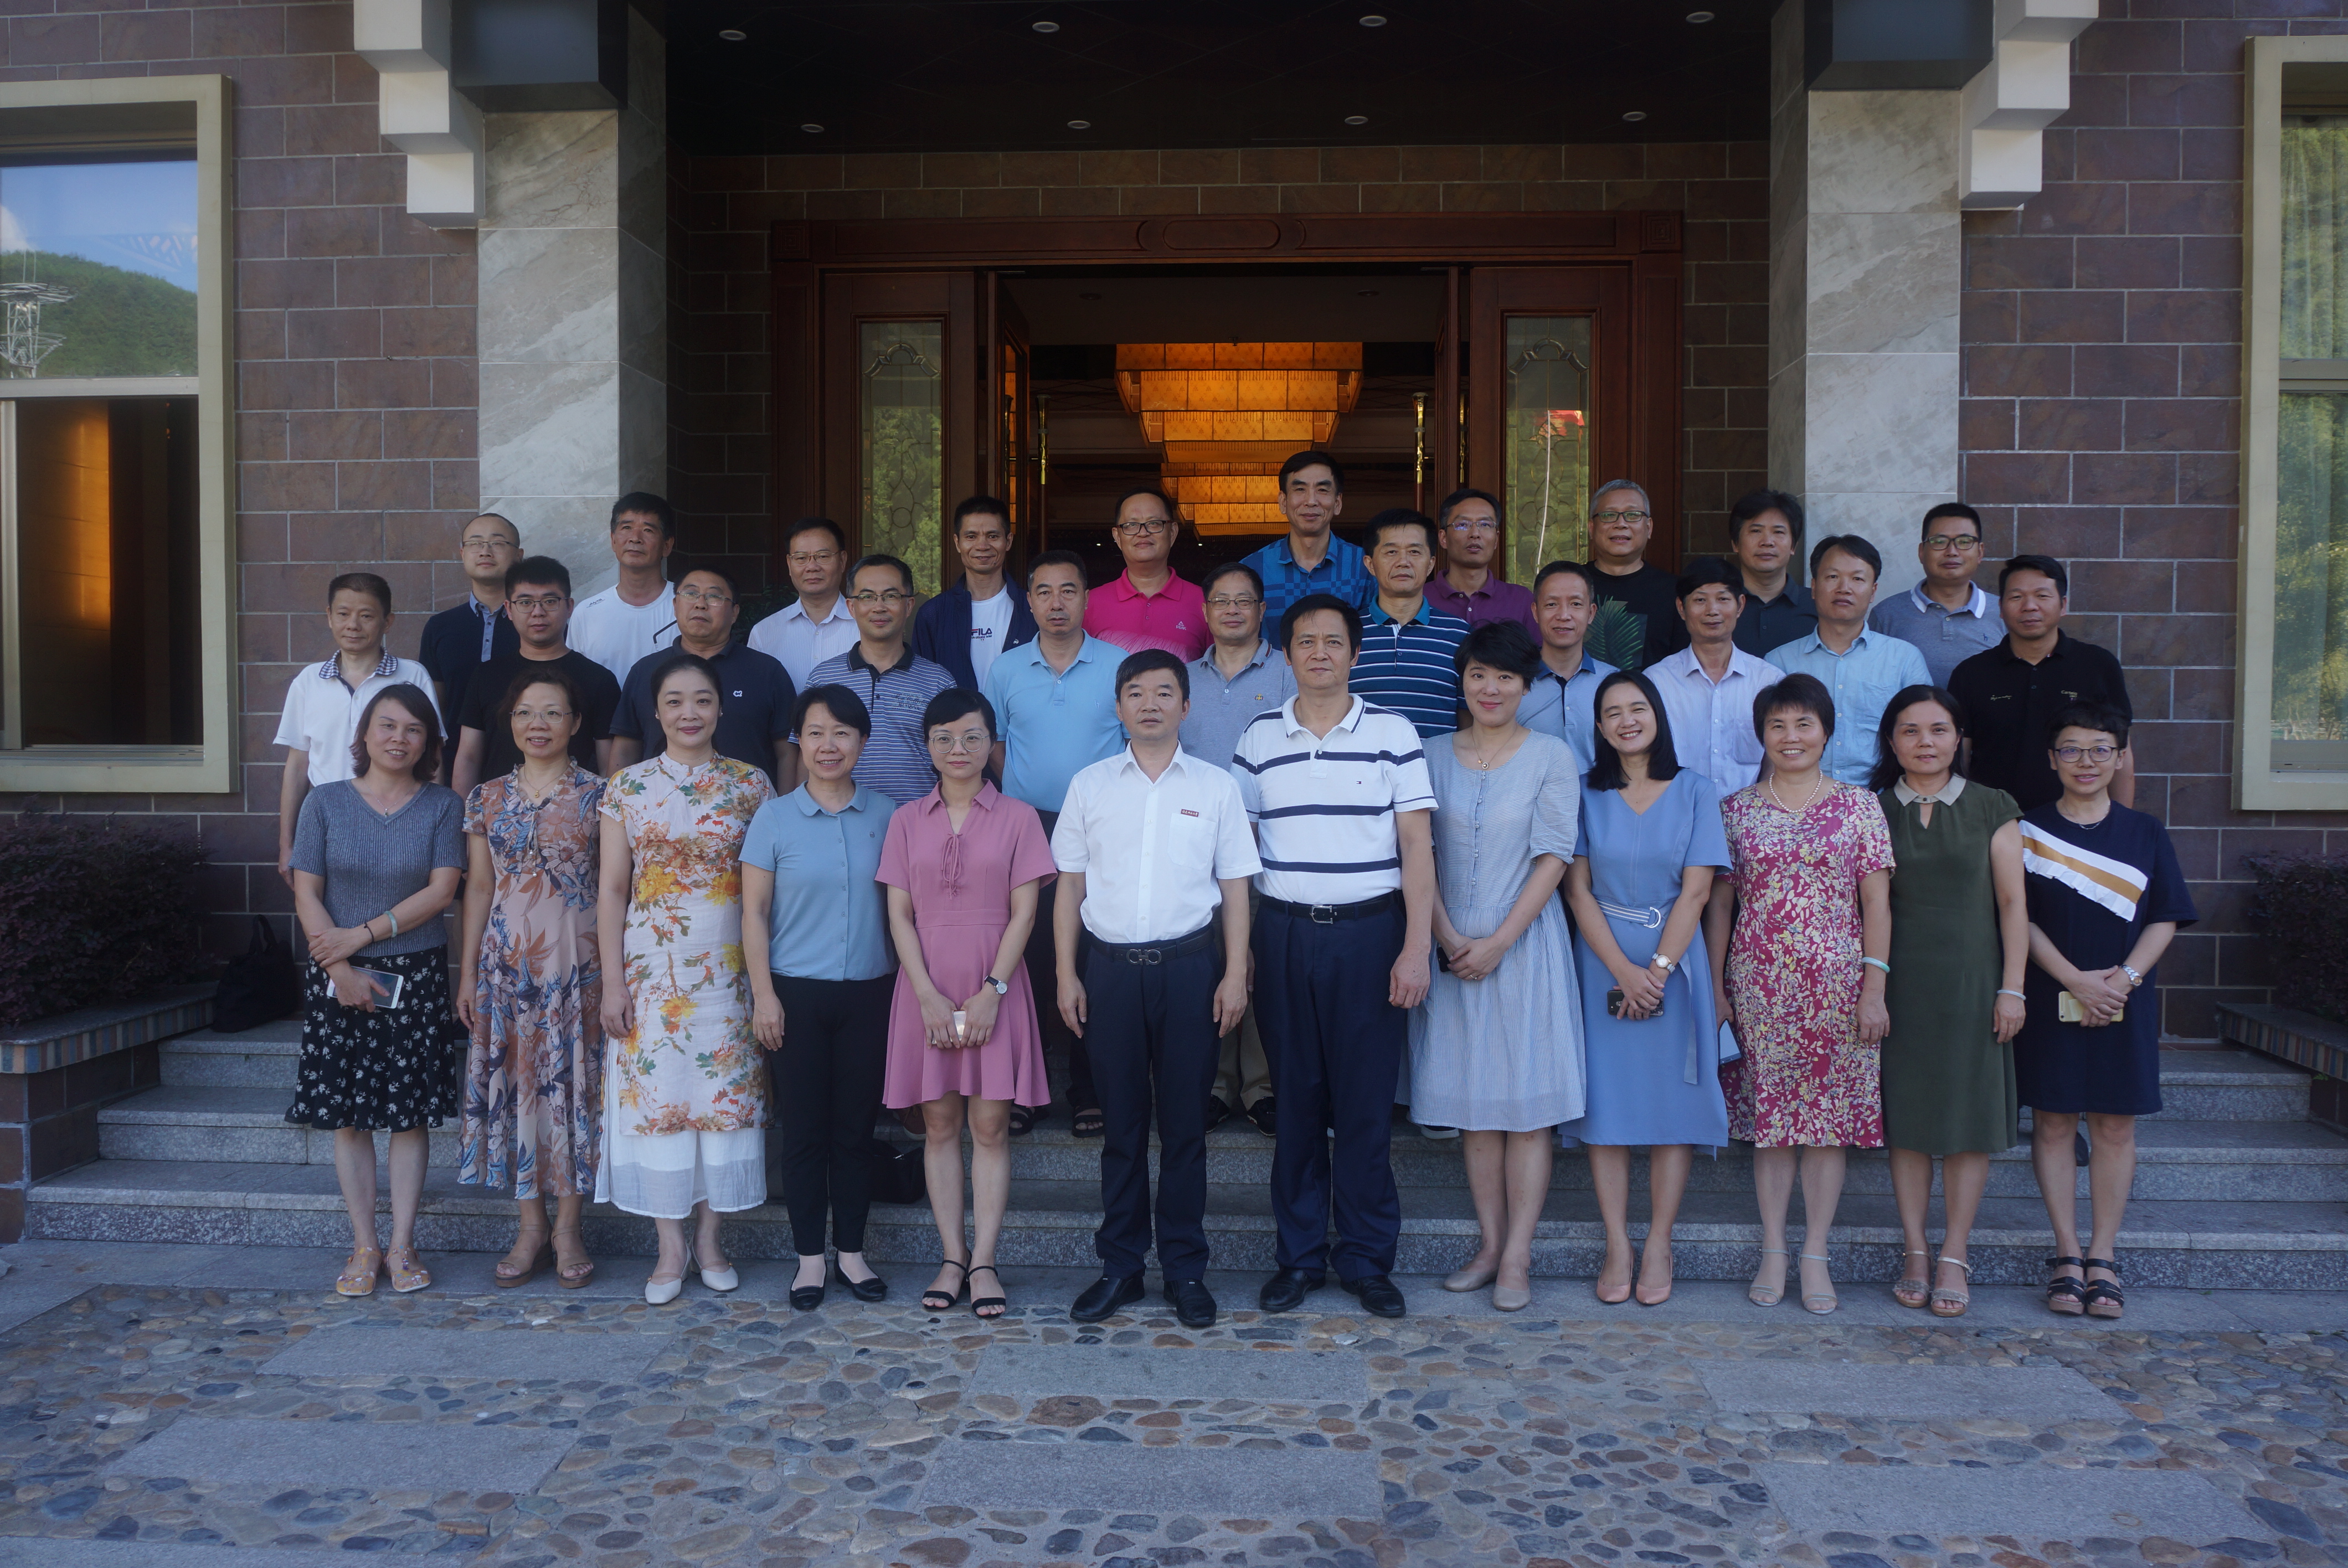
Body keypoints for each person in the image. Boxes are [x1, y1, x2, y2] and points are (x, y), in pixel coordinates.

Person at [1233, 592, 1436, 1321]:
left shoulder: (1392, 731)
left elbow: (1416, 846)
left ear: (1355, 652)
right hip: (1284, 933)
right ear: (1287, 655)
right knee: (1296, 1102)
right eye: (1305, 642)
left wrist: (1416, 948)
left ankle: (1365, 1259)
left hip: (1370, 936)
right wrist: (1240, 950)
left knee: (1364, 1107)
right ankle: (1297, 1258)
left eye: (1333, 641)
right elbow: (1238, 854)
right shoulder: (1259, 736)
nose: (1319, 653)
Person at [1053, 649, 1259, 1329]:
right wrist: (1065, 973)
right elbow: (1069, 887)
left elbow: (1235, 887)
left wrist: (1235, 972)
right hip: (1110, 971)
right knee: (1120, 1128)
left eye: (1164, 692)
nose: (1150, 704)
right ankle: (1120, 1267)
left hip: (1190, 970)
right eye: (1136, 693)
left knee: (1184, 1129)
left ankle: (1184, 1270)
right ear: (1118, 708)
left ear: (1185, 706)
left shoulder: (1216, 787)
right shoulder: (1089, 786)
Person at [1705, 673, 1894, 1316]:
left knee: (1827, 1125)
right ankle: (1772, 1250)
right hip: (1759, 989)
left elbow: (1877, 904)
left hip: (1839, 989)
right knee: (1774, 1123)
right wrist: (1717, 988)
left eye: (1803, 724)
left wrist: (1874, 988)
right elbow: (1719, 908)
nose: (1791, 737)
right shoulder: (1735, 810)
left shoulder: (1859, 807)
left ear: (1826, 731)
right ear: (1761, 734)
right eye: (1777, 725)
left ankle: (1814, 1252)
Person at [1409, 621, 1583, 1313]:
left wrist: (1500, 940)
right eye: (1479, 674)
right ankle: (1488, 1246)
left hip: (1526, 946)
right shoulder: (1428, 755)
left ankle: (1518, 1255)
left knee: (1527, 1111)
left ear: (1525, 686)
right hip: (1450, 947)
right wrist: (1448, 936)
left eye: (1505, 677)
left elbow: (1554, 855)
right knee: (1475, 1109)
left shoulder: (1551, 757)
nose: (1490, 688)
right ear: (1462, 680)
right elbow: (1415, 853)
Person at [594, 652, 776, 1304]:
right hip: (651, 974)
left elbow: (766, 890)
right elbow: (612, 891)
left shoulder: (751, 785)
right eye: (674, 701)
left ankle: (711, 1240)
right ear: (656, 711)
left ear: (720, 707)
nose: (689, 713)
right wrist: (613, 983)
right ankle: (669, 1248)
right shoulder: (627, 787)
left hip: (729, 972)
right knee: (660, 1101)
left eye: (702, 699)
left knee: (723, 1103)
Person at [879, 689, 1057, 1321]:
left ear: (991, 744)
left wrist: (992, 993)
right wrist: (926, 994)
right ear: (928, 745)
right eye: (945, 738)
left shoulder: (1019, 817)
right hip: (923, 987)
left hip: (996, 987)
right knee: (938, 1126)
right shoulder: (905, 820)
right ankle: (951, 1258)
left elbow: (1025, 913)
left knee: (989, 1128)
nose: (959, 749)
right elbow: (899, 915)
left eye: (973, 737)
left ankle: (984, 1261)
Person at [2016, 703, 2194, 1322]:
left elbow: (2166, 915)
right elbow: (2017, 917)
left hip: (2126, 998)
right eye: (2071, 749)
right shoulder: (2025, 830)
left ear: (2120, 758)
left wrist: (2122, 982)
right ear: (2052, 759)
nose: (2085, 761)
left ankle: (2103, 1256)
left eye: (2100, 749)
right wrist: (2073, 980)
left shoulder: (2145, 832)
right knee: (2053, 1123)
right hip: (2050, 993)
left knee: (2116, 1126)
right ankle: (2066, 1254)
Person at [286, 683, 465, 1297]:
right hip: (334, 969)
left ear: (429, 742)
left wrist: (362, 934)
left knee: (407, 1116)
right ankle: (364, 1244)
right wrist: (339, 968)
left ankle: (403, 1244)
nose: (399, 738)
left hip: (413, 973)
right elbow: (307, 890)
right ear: (363, 734)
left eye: (414, 729)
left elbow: (442, 891)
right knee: (349, 1117)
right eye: (387, 725)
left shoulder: (443, 806)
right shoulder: (325, 802)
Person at [1562, 670, 1729, 1308]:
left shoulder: (1696, 790)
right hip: (1601, 961)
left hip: (1675, 967)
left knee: (1669, 1110)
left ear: (1657, 716)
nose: (1626, 720)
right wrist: (1623, 973)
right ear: (1599, 728)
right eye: (1612, 712)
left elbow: (1697, 890)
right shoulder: (1584, 792)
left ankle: (1659, 1241)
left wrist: (1655, 973)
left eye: (1637, 708)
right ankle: (1617, 1243)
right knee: (1606, 1106)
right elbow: (1577, 889)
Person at [1870, 685, 2027, 1319]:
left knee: (1966, 1125)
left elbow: (2012, 904)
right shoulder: (1872, 809)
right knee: (1908, 1125)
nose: (1925, 742)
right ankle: (1914, 1249)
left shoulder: (1992, 806)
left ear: (1958, 738)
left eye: (1938, 730)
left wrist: (2012, 986)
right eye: (1910, 731)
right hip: (1898, 987)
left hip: (1973, 985)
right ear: (1891, 741)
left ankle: (1955, 1253)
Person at [742, 684, 898, 1311]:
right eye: (815, 733)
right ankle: (809, 1258)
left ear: (862, 741)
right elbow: (753, 913)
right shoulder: (774, 817)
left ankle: (852, 1254)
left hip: (870, 994)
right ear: (798, 742)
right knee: (804, 1131)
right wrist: (764, 996)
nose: (828, 745)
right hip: (794, 996)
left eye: (842, 733)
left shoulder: (890, 815)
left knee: (855, 1130)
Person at [453, 666, 605, 1291]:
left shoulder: (604, 795)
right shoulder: (485, 797)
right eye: (524, 713)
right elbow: (479, 887)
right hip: (506, 970)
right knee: (518, 1089)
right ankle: (530, 1227)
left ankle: (569, 1229)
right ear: (509, 723)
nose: (537, 724)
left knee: (572, 1090)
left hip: (578, 967)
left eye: (552, 712)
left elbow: (615, 888)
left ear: (575, 722)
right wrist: (466, 973)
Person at [985, 550, 1126, 1136]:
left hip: (1102, 826)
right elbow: (992, 742)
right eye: (1043, 592)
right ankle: (1029, 1089)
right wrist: (1024, 793)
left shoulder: (1118, 665)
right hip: (1029, 828)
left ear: (1087, 598)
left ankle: (1089, 1089)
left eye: (1068, 590)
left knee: (1094, 954)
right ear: (1030, 601)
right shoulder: (1005, 669)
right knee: (1032, 956)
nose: (1056, 603)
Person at [1179, 560, 1293, 1136]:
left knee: (1258, 967)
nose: (1231, 610)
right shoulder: (1182, 678)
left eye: (1242, 600)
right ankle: (1217, 1085)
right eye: (1220, 601)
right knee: (1211, 966)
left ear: (1261, 610)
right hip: (1195, 845)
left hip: (1267, 843)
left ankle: (1261, 1088)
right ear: (1205, 612)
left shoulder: (1288, 672)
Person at [275, 572, 440, 886]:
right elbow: (297, 766)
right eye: (343, 614)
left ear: (387, 622)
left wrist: (433, 826)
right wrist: (287, 844)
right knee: (321, 907)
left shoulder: (412, 676)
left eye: (366, 616)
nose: (353, 625)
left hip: (399, 817)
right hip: (325, 820)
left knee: (401, 905)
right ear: (329, 617)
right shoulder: (309, 682)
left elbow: (433, 756)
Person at [1948, 555, 2136, 811]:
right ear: (2001, 608)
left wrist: (2122, 822)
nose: (2029, 606)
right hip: (1992, 821)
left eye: (2042, 596)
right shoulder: (1971, 673)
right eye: (2017, 597)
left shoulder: (2098, 666)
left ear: (2063, 605)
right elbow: (1958, 760)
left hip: (2079, 821)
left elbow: (2121, 753)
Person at [610, 565, 799, 788]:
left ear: (735, 612)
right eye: (690, 594)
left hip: (749, 805)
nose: (700, 604)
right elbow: (625, 748)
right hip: (655, 805)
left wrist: (785, 806)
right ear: (675, 605)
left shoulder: (767, 672)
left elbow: (788, 753)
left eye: (714, 596)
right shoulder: (645, 671)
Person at [1765, 535, 1929, 787]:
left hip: (1882, 799)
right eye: (1833, 577)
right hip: (1801, 800)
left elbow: (1923, 735)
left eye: (1858, 579)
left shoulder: (1904, 659)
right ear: (1814, 586)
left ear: (1873, 591)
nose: (1844, 588)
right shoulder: (1779, 662)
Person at [451, 557, 622, 797]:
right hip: (497, 811)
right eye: (525, 602)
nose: (538, 612)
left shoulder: (599, 679)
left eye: (550, 601)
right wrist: (465, 814)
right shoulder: (485, 676)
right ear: (509, 609)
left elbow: (609, 766)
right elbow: (469, 757)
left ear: (570, 607)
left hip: (575, 812)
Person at [804, 554, 957, 805]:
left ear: (909, 605)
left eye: (891, 596)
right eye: (867, 597)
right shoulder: (823, 678)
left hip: (918, 821)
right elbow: (805, 757)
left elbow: (954, 762)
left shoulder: (938, 682)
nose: (879, 607)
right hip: (840, 820)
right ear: (851, 607)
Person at [1649, 557, 1776, 792]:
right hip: (1679, 811)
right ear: (1681, 608)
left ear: (1740, 606)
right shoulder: (1656, 682)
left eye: (1723, 599)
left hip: (1750, 812)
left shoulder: (1769, 680)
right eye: (1700, 600)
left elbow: (1777, 759)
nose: (1712, 611)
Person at [1353, 508, 1471, 740]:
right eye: (1391, 552)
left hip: (1436, 764)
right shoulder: (1344, 634)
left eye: (1415, 552)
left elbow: (1468, 720)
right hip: (1359, 764)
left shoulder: (1460, 635)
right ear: (1370, 564)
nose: (1403, 562)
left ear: (1431, 564)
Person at [1867, 503, 2006, 685]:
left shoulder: (2005, 613)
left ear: (1980, 552)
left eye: (1964, 542)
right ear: (1921, 552)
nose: (1952, 552)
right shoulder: (1887, 615)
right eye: (1939, 542)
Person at [914, 496, 1037, 689]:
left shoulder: (1032, 609)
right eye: (971, 537)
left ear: (1008, 541)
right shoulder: (933, 614)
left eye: (993, 536)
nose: (982, 546)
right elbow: (921, 686)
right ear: (957, 543)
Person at [1240, 450, 1375, 621]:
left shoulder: (1366, 567)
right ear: (1283, 502)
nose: (1311, 501)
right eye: (1300, 489)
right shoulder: (1251, 569)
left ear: (1337, 503)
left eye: (1322, 490)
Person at [419, 513, 522, 729]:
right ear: (463, 554)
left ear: (518, 555)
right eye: (475, 543)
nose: (485, 551)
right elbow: (433, 709)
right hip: (455, 748)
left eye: (497, 543)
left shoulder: (537, 625)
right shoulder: (439, 627)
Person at [1085, 486, 1210, 660]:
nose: (1143, 533)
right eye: (1131, 525)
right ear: (1117, 537)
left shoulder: (1205, 602)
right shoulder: (1089, 604)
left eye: (1154, 523)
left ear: (1172, 532)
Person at [1516, 560, 1618, 775]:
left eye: (1576, 604)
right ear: (1535, 612)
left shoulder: (1613, 683)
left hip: (1599, 795)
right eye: (1552, 604)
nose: (1564, 615)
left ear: (1591, 613)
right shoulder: (1514, 683)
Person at [568, 492, 680, 683]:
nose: (635, 538)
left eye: (648, 530)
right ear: (613, 540)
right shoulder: (586, 613)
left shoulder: (686, 607)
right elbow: (576, 683)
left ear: (667, 546)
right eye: (627, 528)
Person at [1584, 479, 1686, 672]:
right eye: (1609, 515)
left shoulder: (1676, 592)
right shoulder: (1570, 585)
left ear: (1649, 527)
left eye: (1633, 515)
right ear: (1591, 528)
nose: (1621, 524)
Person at [749, 517, 861, 689]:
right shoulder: (764, 633)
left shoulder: (865, 626)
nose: (812, 567)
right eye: (801, 558)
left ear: (842, 560)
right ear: (789, 564)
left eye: (823, 556)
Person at [1425, 487, 1537, 633]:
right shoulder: (1420, 599)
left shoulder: (1521, 600)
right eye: (1462, 525)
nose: (1475, 534)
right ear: (1443, 538)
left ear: (1496, 539)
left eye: (1485, 525)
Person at [1725, 489, 1816, 656]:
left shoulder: (1817, 606)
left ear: (1793, 546)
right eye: (1756, 531)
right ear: (1735, 544)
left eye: (1778, 532)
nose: (1767, 542)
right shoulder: (1717, 606)